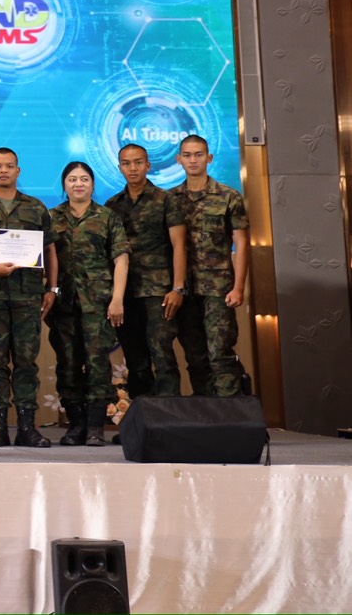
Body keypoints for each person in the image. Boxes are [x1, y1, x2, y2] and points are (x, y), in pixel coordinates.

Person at [0, 148, 58, 448]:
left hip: (28, 293)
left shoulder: (36, 207)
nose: (3, 170)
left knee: (26, 361)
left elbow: (50, 249)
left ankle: (27, 427)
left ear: (18, 171)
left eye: (9, 166)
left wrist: (52, 288)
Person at [48, 161, 130, 446]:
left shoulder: (107, 217)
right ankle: (76, 425)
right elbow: (43, 258)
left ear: (93, 185)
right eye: (72, 179)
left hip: (99, 303)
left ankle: (95, 426)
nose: (78, 184)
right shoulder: (52, 217)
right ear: (64, 184)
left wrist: (117, 299)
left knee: (97, 363)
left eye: (84, 179)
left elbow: (121, 259)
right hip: (63, 304)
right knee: (67, 363)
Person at [168, 134, 250, 396]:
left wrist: (239, 287)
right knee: (195, 356)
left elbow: (241, 243)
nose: (193, 160)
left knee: (220, 353)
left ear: (209, 158)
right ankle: (205, 410)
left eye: (199, 155)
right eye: (187, 155)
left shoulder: (228, 196)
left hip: (218, 289)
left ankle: (229, 412)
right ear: (179, 159)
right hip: (185, 290)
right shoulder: (170, 199)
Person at [107, 143, 188, 399]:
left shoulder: (166, 200)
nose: (133, 168)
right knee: (135, 360)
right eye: (126, 163)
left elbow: (179, 245)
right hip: (126, 293)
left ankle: (169, 414)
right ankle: (143, 415)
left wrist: (178, 288)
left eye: (138, 162)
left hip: (158, 291)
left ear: (148, 165)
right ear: (120, 167)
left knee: (162, 354)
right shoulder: (112, 205)